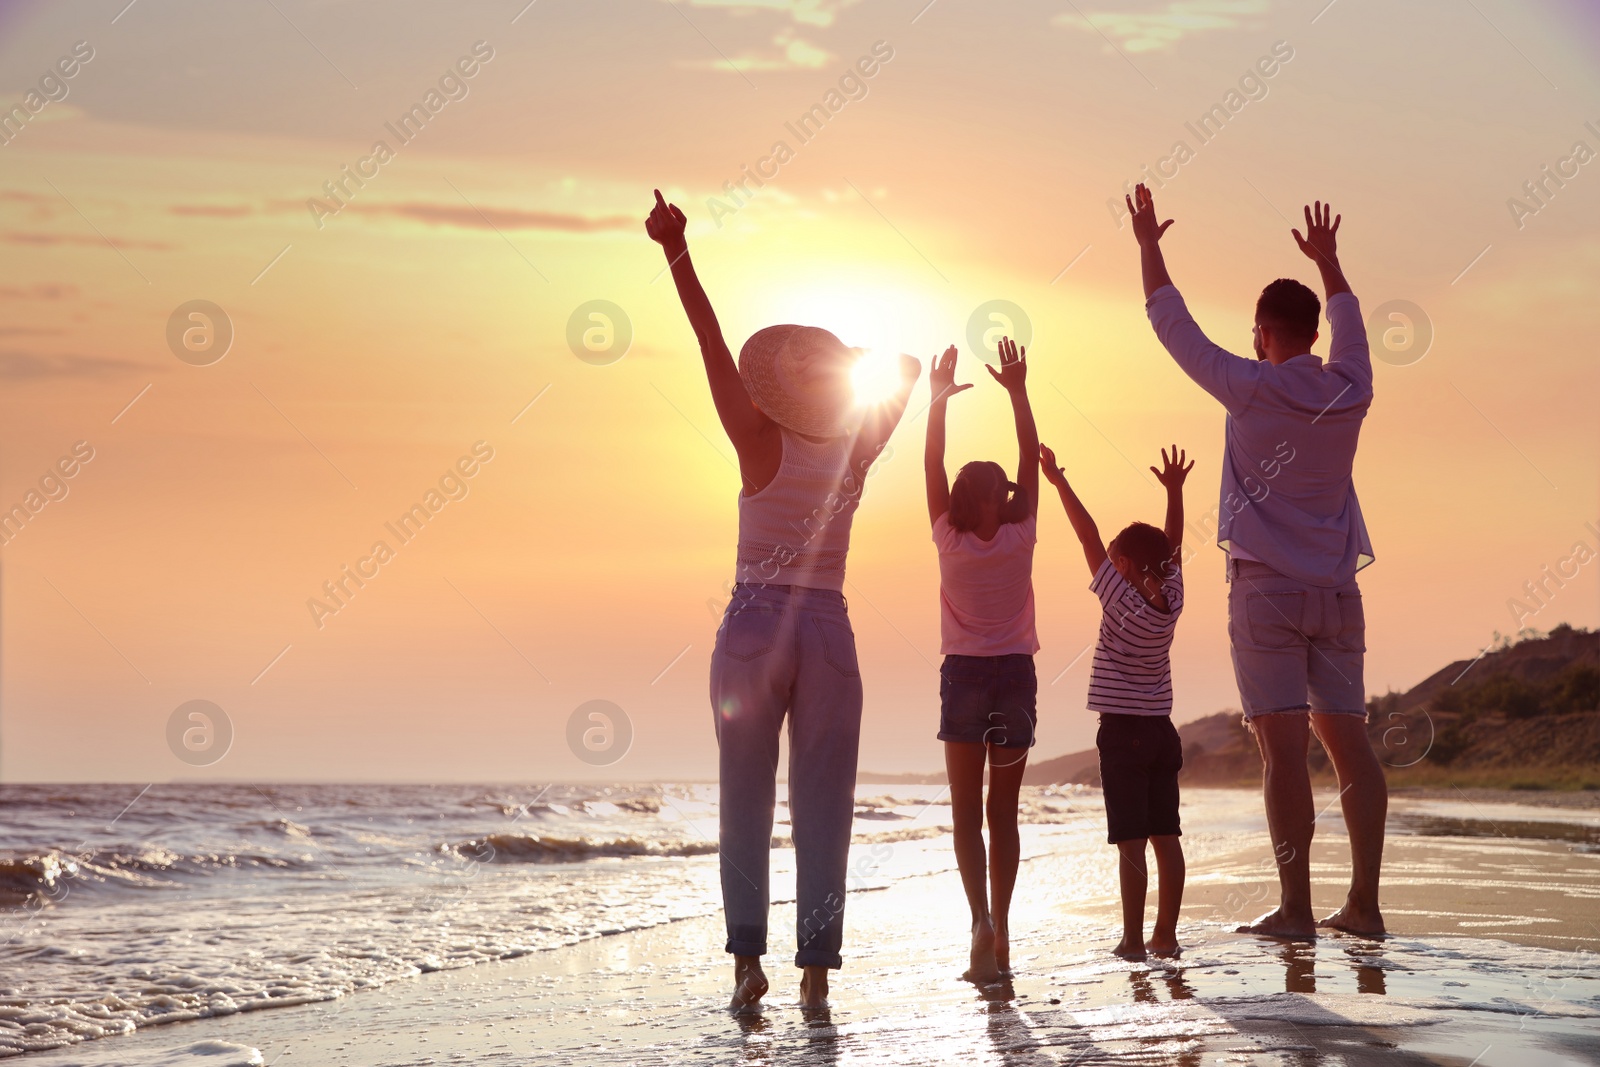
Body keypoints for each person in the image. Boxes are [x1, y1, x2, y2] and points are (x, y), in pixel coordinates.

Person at [644, 190, 921, 1011]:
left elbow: (706, 336)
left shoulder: (756, 437)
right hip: (828, 625)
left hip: (756, 624)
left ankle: (746, 965)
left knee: (746, 796)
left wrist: (676, 248)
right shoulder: (858, 447)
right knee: (824, 802)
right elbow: (900, 371)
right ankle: (815, 973)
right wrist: (854, 364)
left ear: (773, 390)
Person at [1126, 182, 1386, 939]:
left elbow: (1170, 325)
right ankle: (1365, 904)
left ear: (1264, 332)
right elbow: (1352, 325)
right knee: (1351, 744)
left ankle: (1299, 909)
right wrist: (1331, 261)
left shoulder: (1248, 385)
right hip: (1338, 591)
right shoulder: (1350, 389)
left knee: (1282, 751)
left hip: (1267, 593)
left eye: (1255, 335)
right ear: (1309, 330)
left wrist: (1149, 243)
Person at [1040, 439, 1192, 958]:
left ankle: (1132, 940)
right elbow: (1169, 545)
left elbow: (1087, 533)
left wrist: (1060, 482)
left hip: (1122, 731)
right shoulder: (1171, 598)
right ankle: (1165, 936)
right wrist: (1175, 491)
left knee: (1131, 841)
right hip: (1161, 731)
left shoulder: (1119, 594)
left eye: (1111, 560)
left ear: (1123, 565)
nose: (1103, 563)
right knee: (1165, 837)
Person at [922, 337, 1039, 983]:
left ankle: (979, 922)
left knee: (967, 815)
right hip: (1015, 676)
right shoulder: (1022, 535)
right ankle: (1004, 932)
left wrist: (936, 400)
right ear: (1004, 497)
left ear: (966, 499)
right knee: (1004, 814)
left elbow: (932, 463)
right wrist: (1017, 390)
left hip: (963, 675)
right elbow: (1029, 454)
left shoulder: (947, 535)